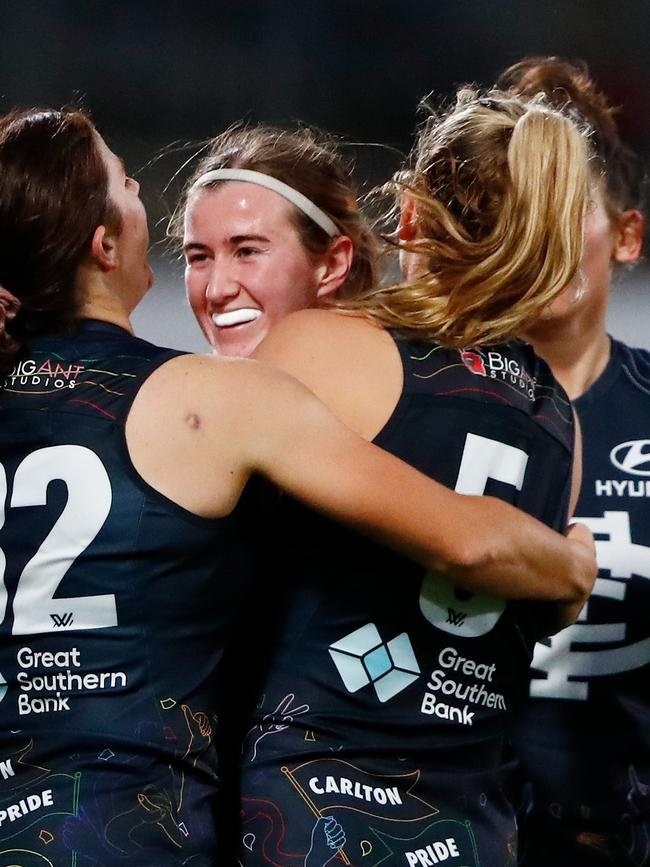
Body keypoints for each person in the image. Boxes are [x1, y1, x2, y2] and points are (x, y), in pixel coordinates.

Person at [0, 108, 595, 867]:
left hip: (293, 817)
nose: (215, 286)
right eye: (199, 255)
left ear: (343, 255)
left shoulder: (258, 383)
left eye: (249, 250)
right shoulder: (558, 418)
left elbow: (464, 542)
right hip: (471, 827)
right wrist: (574, 568)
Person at [238, 89, 597, 866]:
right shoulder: (560, 420)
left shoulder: (325, 349)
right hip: (470, 820)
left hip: (313, 797)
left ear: (407, 214)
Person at [496, 56, 649, 867]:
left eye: (568, 209)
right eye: (523, 211)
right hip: (448, 834)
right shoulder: (417, 399)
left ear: (627, 236)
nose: (542, 236)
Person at [170, 123, 376, 358]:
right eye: (199, 257)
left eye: (247, 252)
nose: (216, 291)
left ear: (333, 264)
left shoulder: (396, 389)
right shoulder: (172, 391)